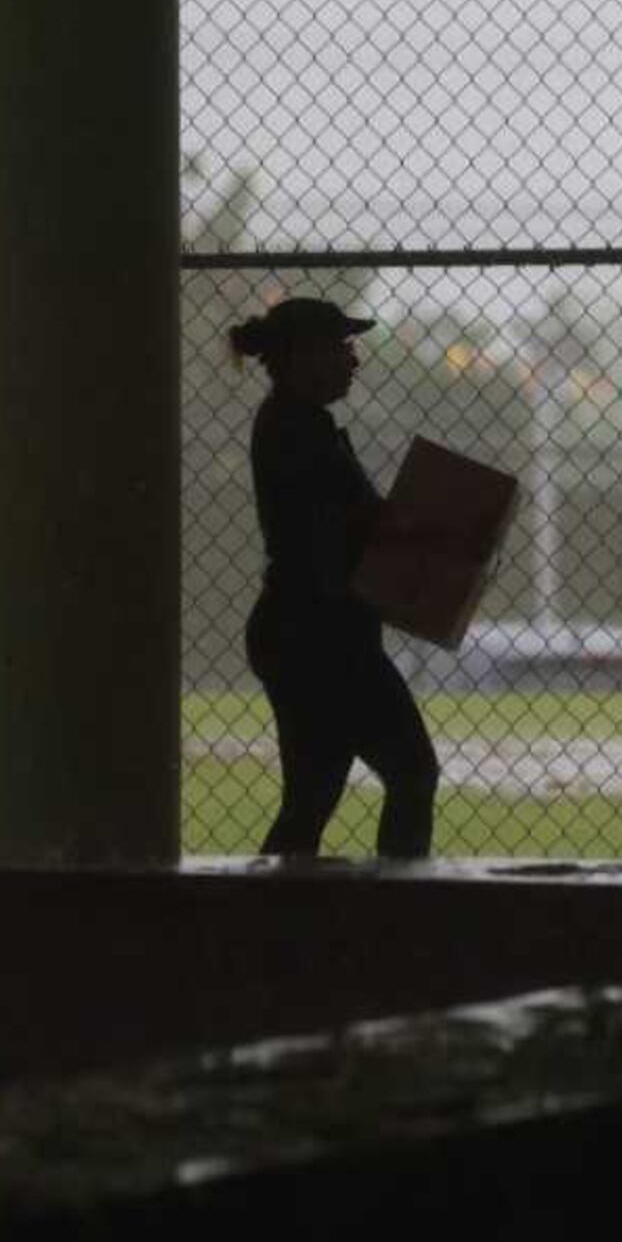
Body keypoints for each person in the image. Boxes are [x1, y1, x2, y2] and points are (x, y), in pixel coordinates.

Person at [230, 295, 439, 858]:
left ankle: (269, 928)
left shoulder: (295, 424)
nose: (354, 361)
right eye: (343, 348)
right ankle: (403, 915)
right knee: (412, 774)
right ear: (305, 356)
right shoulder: (300, 432)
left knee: (311, 798)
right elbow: (340, 535)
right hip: (324, 639)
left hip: (305, 633)